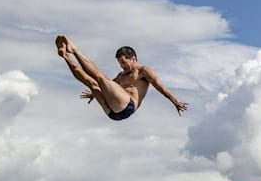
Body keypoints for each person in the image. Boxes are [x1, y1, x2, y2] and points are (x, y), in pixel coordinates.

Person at [56, 36, 187, 121]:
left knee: (100, 78)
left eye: (124, 62)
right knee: (92, 83)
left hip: (128, 106)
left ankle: (75, 51)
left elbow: (161, 87)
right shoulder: (121, 76)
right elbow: (108, 88)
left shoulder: (143, 71)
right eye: (120, 63)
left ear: (133, 58)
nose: (122, 66)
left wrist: (175, 101)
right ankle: (66, 57)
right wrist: (94, 94)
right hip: (112, 113)